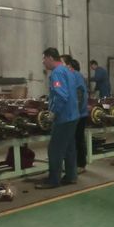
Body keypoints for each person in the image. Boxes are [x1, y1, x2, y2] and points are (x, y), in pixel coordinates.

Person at [37, 48, 79, 189]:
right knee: (69, 147)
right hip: (73, 115)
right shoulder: (68, 71)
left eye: (44, 59)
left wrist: (53, 113)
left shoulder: (57, 73)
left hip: (64, 117)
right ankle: (71, 176)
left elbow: (61, 96)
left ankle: (53, 180)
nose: (43, 62)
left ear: (50, 58)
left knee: (54, 149)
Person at [61, 55, 89, 174]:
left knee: (78, 139)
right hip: (72, 114)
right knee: (71, 140)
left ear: (68, 65)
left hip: (78, 114)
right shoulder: (68, 75)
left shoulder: (76, 75)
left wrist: (74, 112)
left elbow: (79, 94)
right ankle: (72, 165)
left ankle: (81, 165)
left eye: (61, 62)